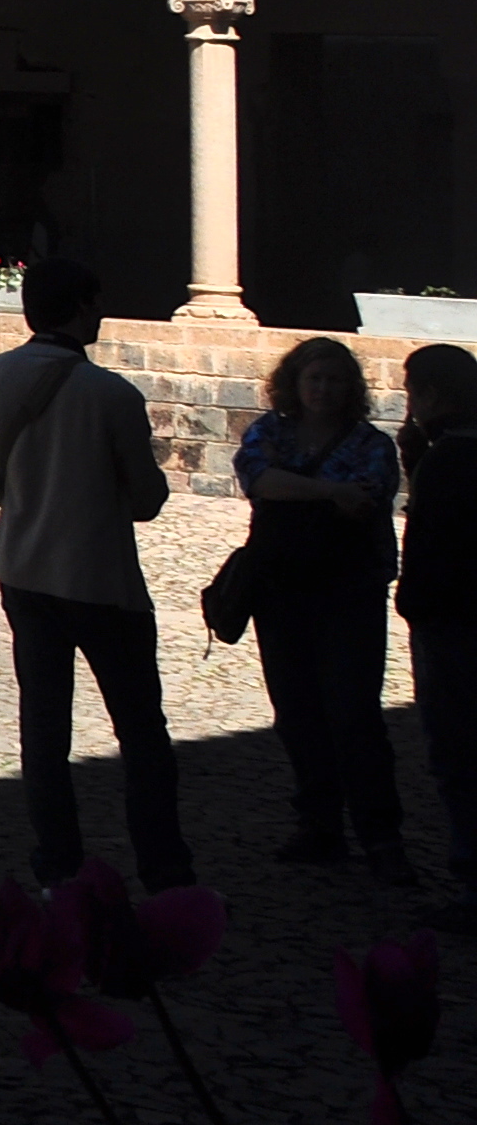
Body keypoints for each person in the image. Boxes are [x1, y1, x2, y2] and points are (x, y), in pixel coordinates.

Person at [0, 253, 191, 886]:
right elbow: (146, 500)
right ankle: (165, 872)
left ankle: (57, 863)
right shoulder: (111, 395)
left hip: (23, 571)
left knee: (45, 725)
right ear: (84, 307)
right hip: (101, 580)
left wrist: (32, 491)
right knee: (141, 731)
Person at [240, 334, 411, 877]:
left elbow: (367, 497)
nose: (323, 388)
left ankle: (380, 834)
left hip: (348, 592)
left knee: (355, 712)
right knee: (297, 711)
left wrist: (305, 492)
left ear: (351, 388)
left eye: (334, 379)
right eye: (314, 378)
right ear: (294, 383)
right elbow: (258, 480)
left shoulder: (372, 444)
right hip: (281, 588)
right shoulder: (269, 431)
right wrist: (329, 494)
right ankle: (319, 823)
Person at [398, 342, 477, 924]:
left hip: (452, 624)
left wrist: (413, 606)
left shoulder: (449, 459)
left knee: (458, 753)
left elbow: (429, 549)